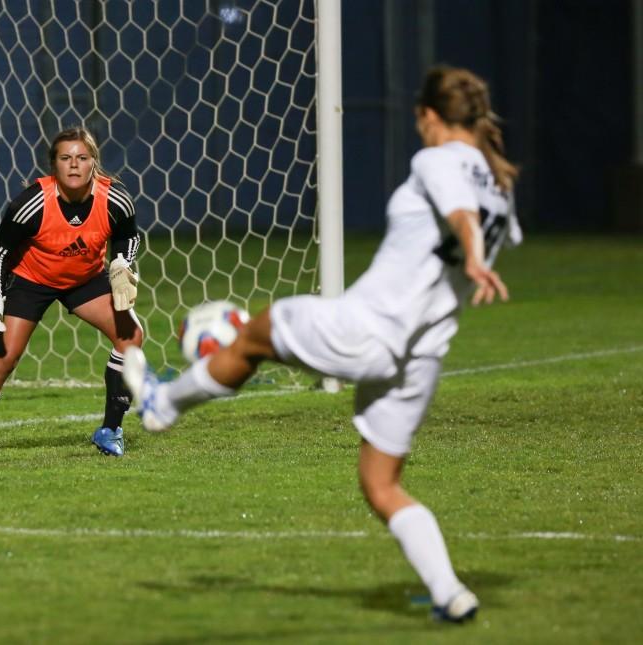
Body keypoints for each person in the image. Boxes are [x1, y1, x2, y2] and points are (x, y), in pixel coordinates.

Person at [122, 65, 521, 623]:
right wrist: (474, 253)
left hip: (367, 327)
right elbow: (472, 216)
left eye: (420, 120)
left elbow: (460, 215)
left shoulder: (436, 159)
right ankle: (451, 594)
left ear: (428, 116)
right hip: (419, 359)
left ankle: (164, 404)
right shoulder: (500, 185)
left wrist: (472, 252)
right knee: (381, 486)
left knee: (259, 330)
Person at [0, 126, 144, 458]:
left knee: (131, 337)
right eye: (66, 158)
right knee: (3, 362)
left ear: (94, 161)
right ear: (54, 165)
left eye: (82, 157)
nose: (74, 164)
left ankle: (110, 430)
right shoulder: (32, 202)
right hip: (32, 281)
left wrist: (123, 263)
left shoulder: (115, 199)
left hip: (85, 280)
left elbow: (128, 235)